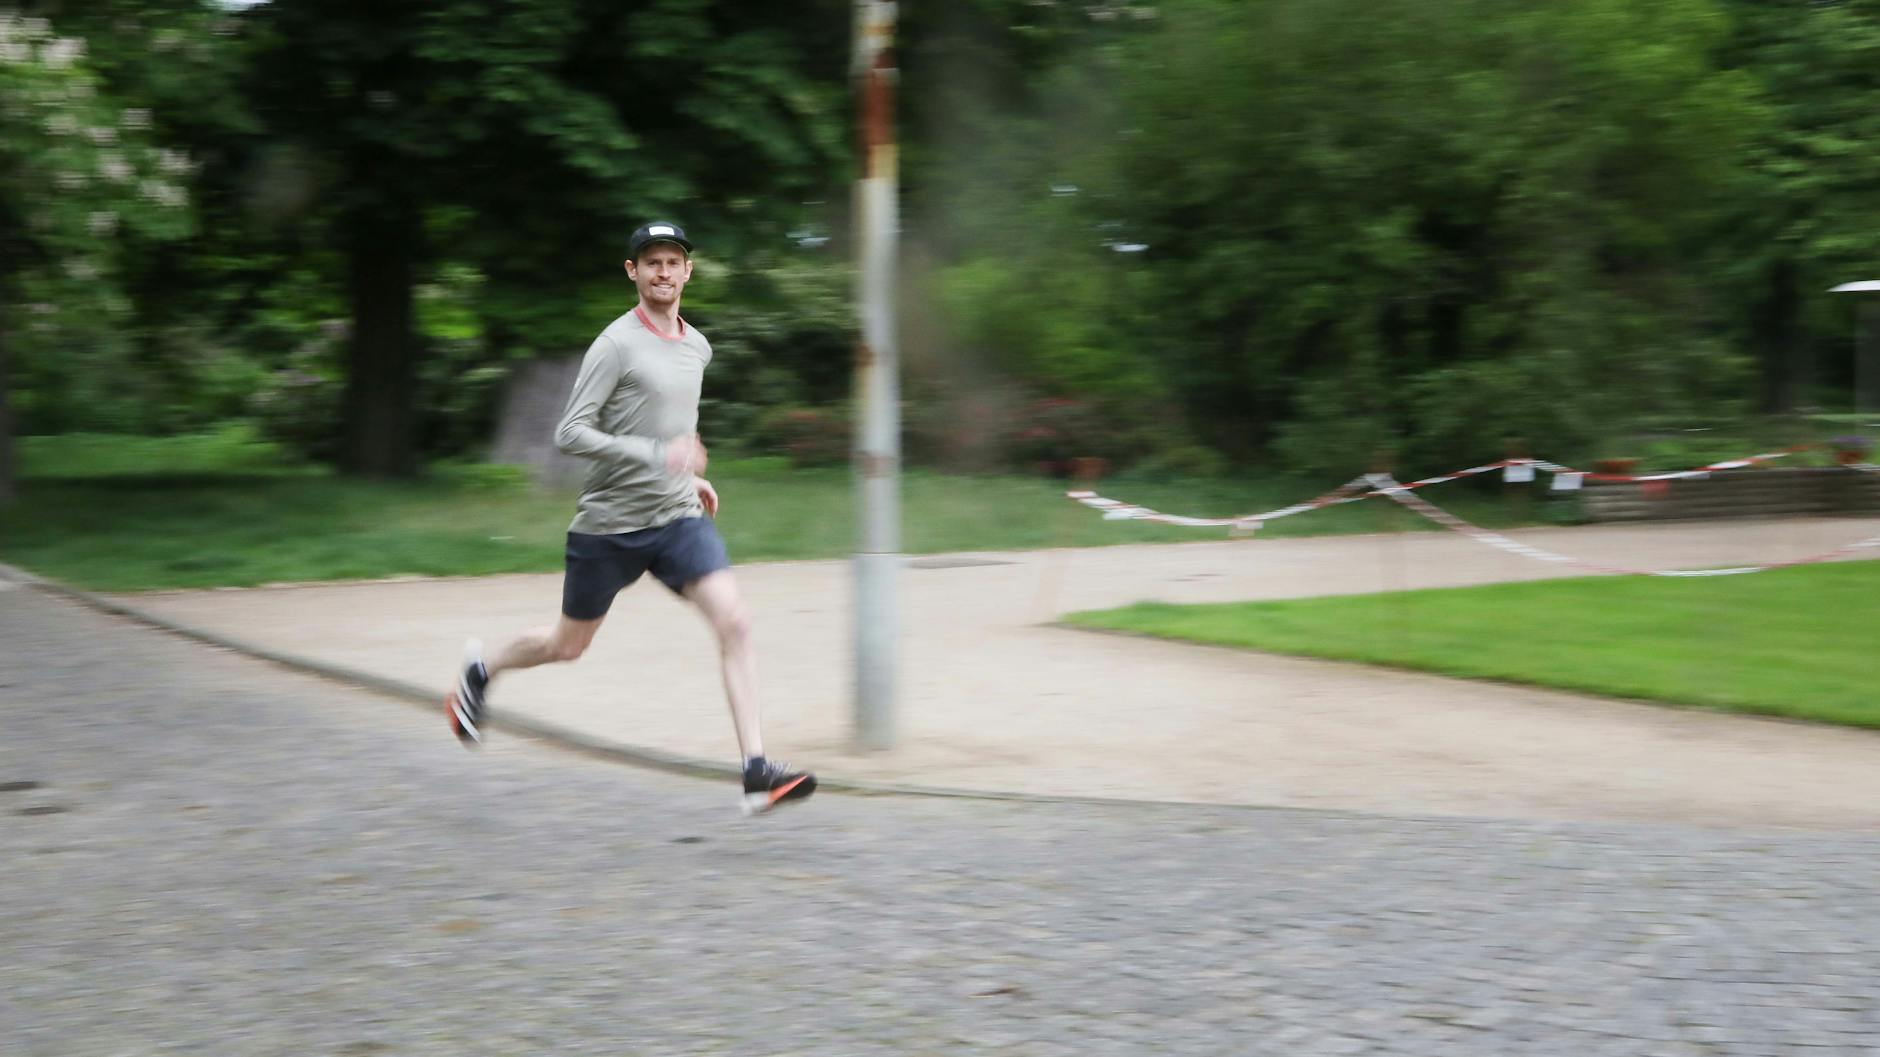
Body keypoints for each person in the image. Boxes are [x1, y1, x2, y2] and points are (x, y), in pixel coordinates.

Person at [444, 220, 815, 816]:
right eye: (651, 262)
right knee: (567, 646)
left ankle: (755, 771)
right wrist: (656, 456)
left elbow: (674, 428)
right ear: (633, 272)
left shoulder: (698, 347)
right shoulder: (615, 344)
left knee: (735, 621)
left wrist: (687, 476)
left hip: (676, 518)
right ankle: (481, 672)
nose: (663, 272)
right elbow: (570, 433)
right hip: (609, 527)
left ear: (688, 271)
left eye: (672, 262)